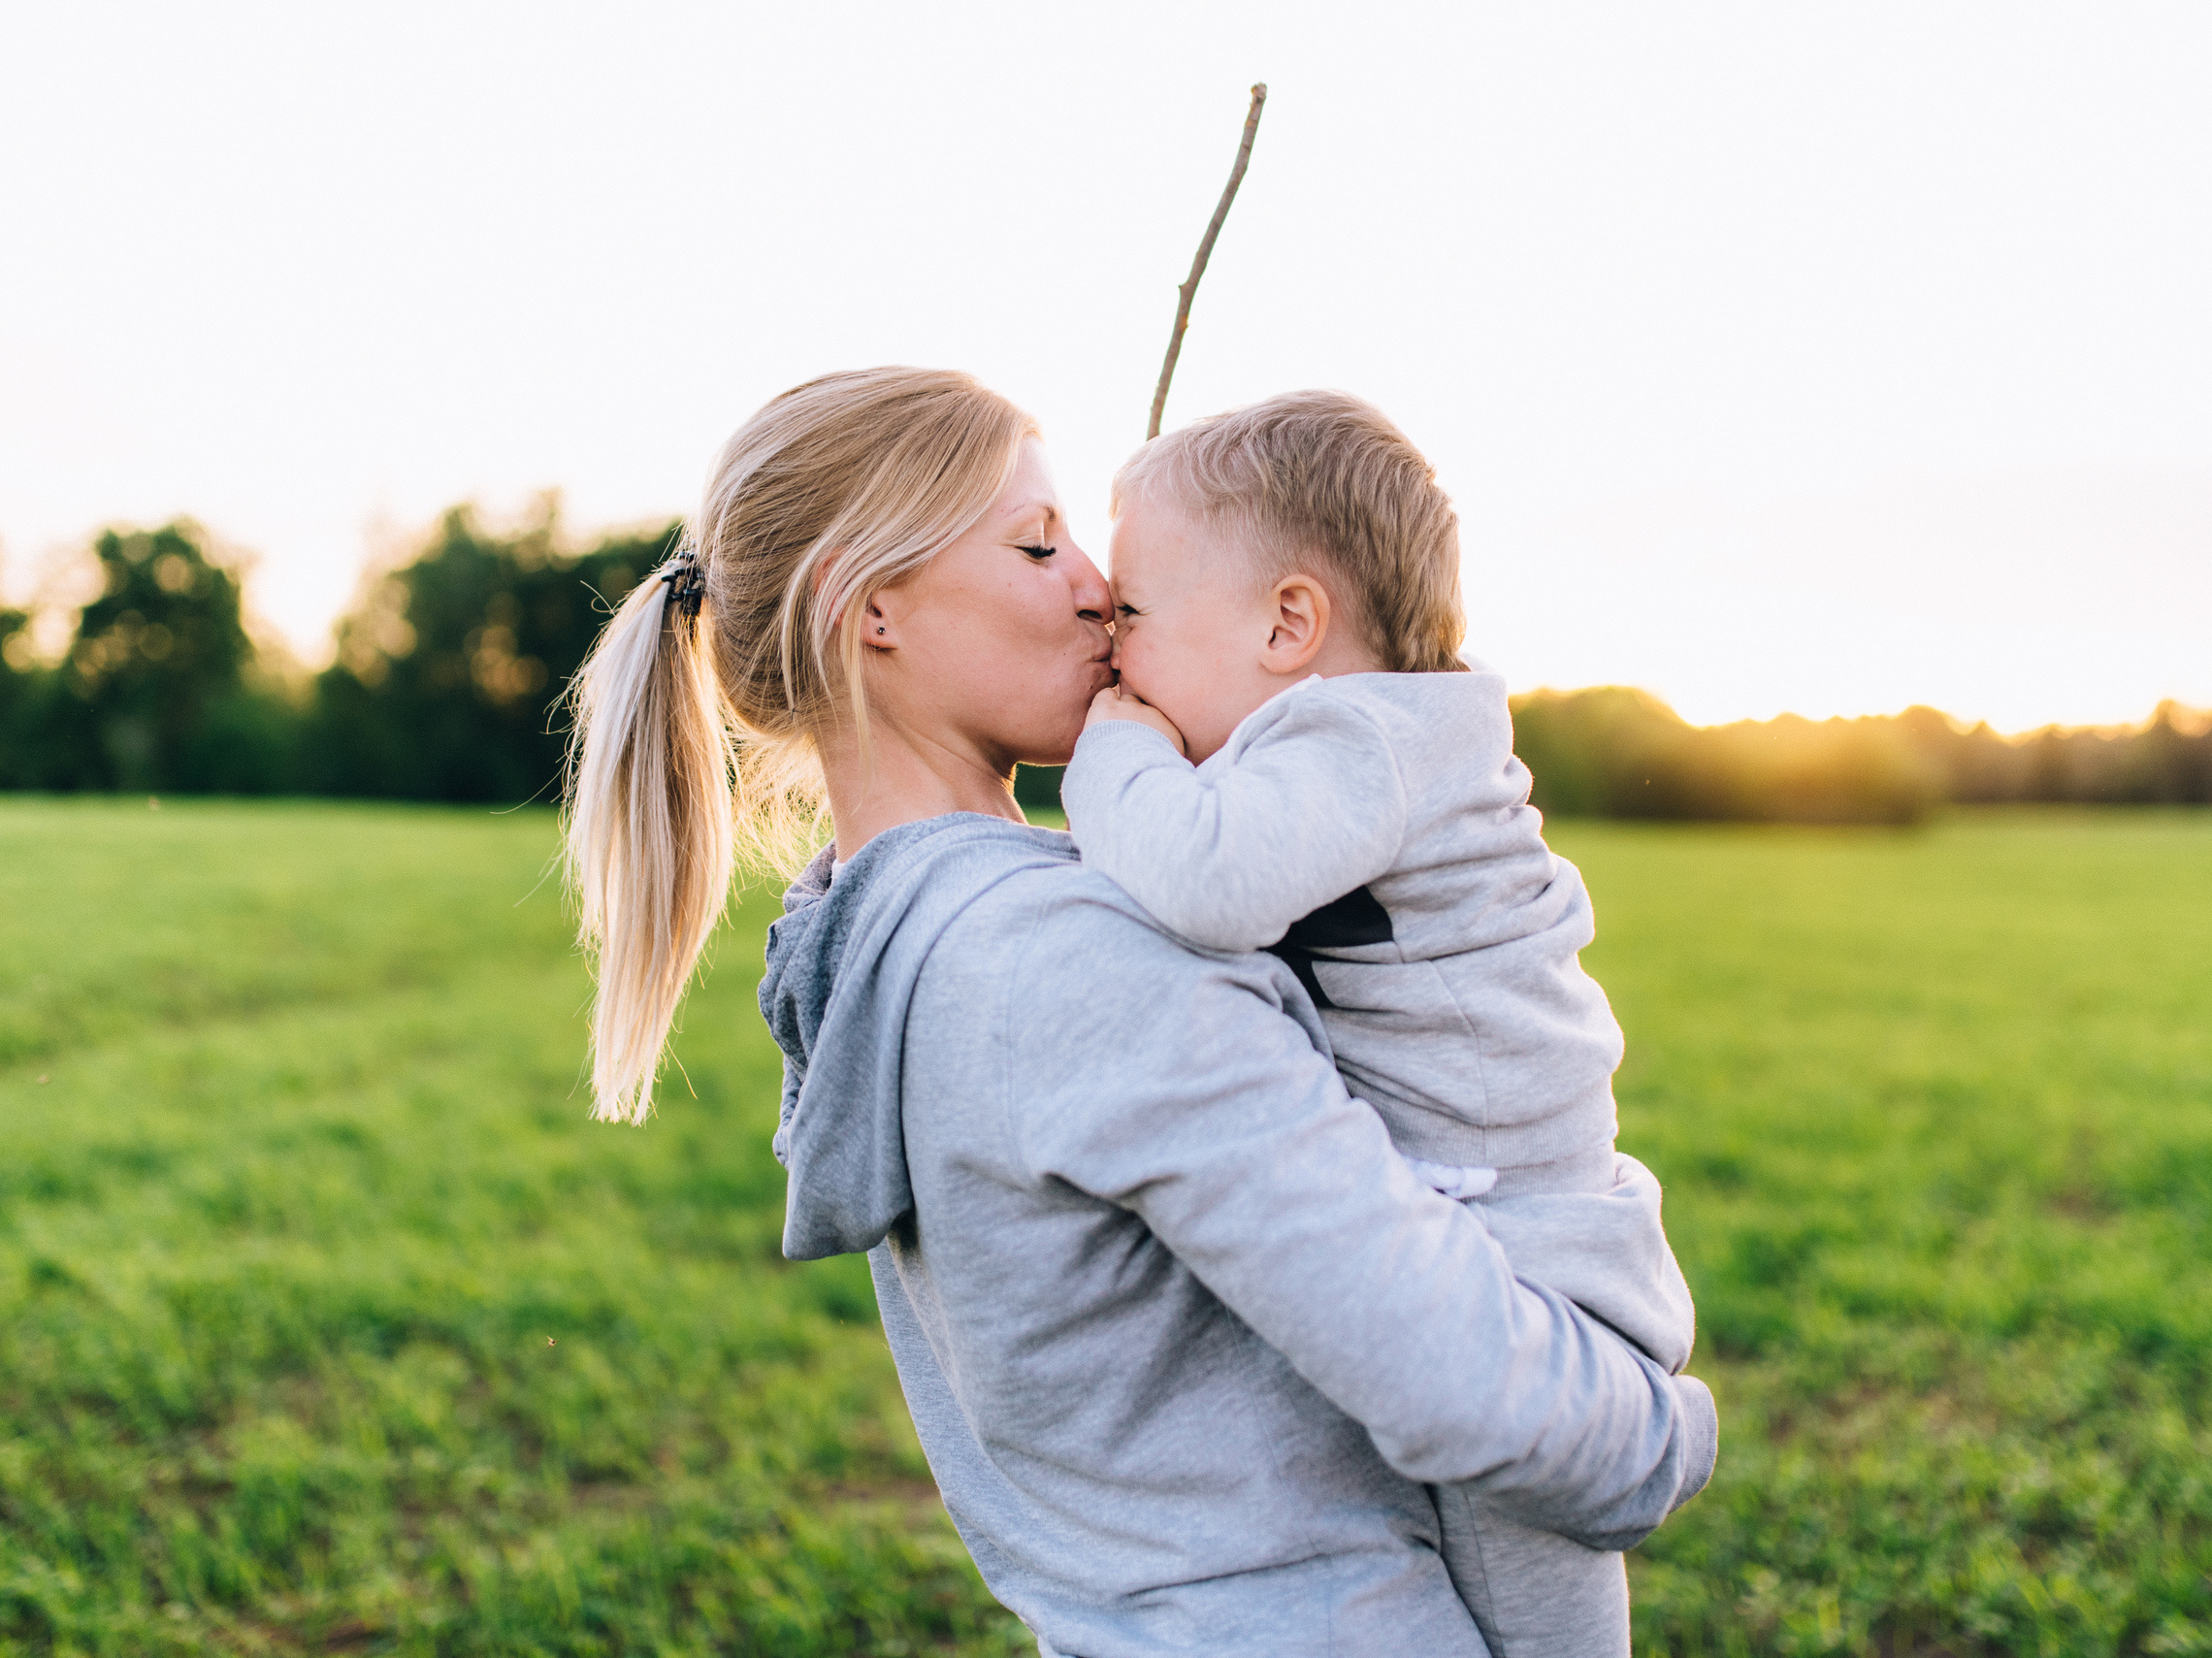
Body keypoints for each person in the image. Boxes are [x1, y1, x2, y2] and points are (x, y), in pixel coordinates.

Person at [564, 366, 1716, 1657]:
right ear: (866, 602)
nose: (1098, 585)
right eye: (1038, 541)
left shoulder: (880, 949)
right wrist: (1666, 1434)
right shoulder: (1069, 964)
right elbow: (1461, 1375)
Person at [1065, 389, 1694, 1658]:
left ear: (1290, 621)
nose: (1109, 649)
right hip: (1467, 1206)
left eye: (1131, 612)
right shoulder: (1346, 742)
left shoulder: (1362, 733)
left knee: (1539, 1606)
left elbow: (1207, 881)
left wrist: (1109, 750)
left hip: (1529, 1237)